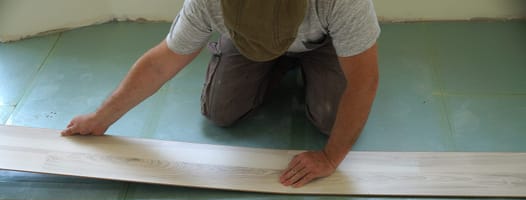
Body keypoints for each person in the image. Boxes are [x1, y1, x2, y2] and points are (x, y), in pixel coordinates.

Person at [61, 0, 380, 188]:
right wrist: (101, 118)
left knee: (329, 118)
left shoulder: (340, 2)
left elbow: (364, 79)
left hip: (323, 44)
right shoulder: (209, 2)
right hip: (246, 46)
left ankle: (301, 64)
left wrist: (330, 157)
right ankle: (275, 66)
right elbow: (162, 62)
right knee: (221, 112)